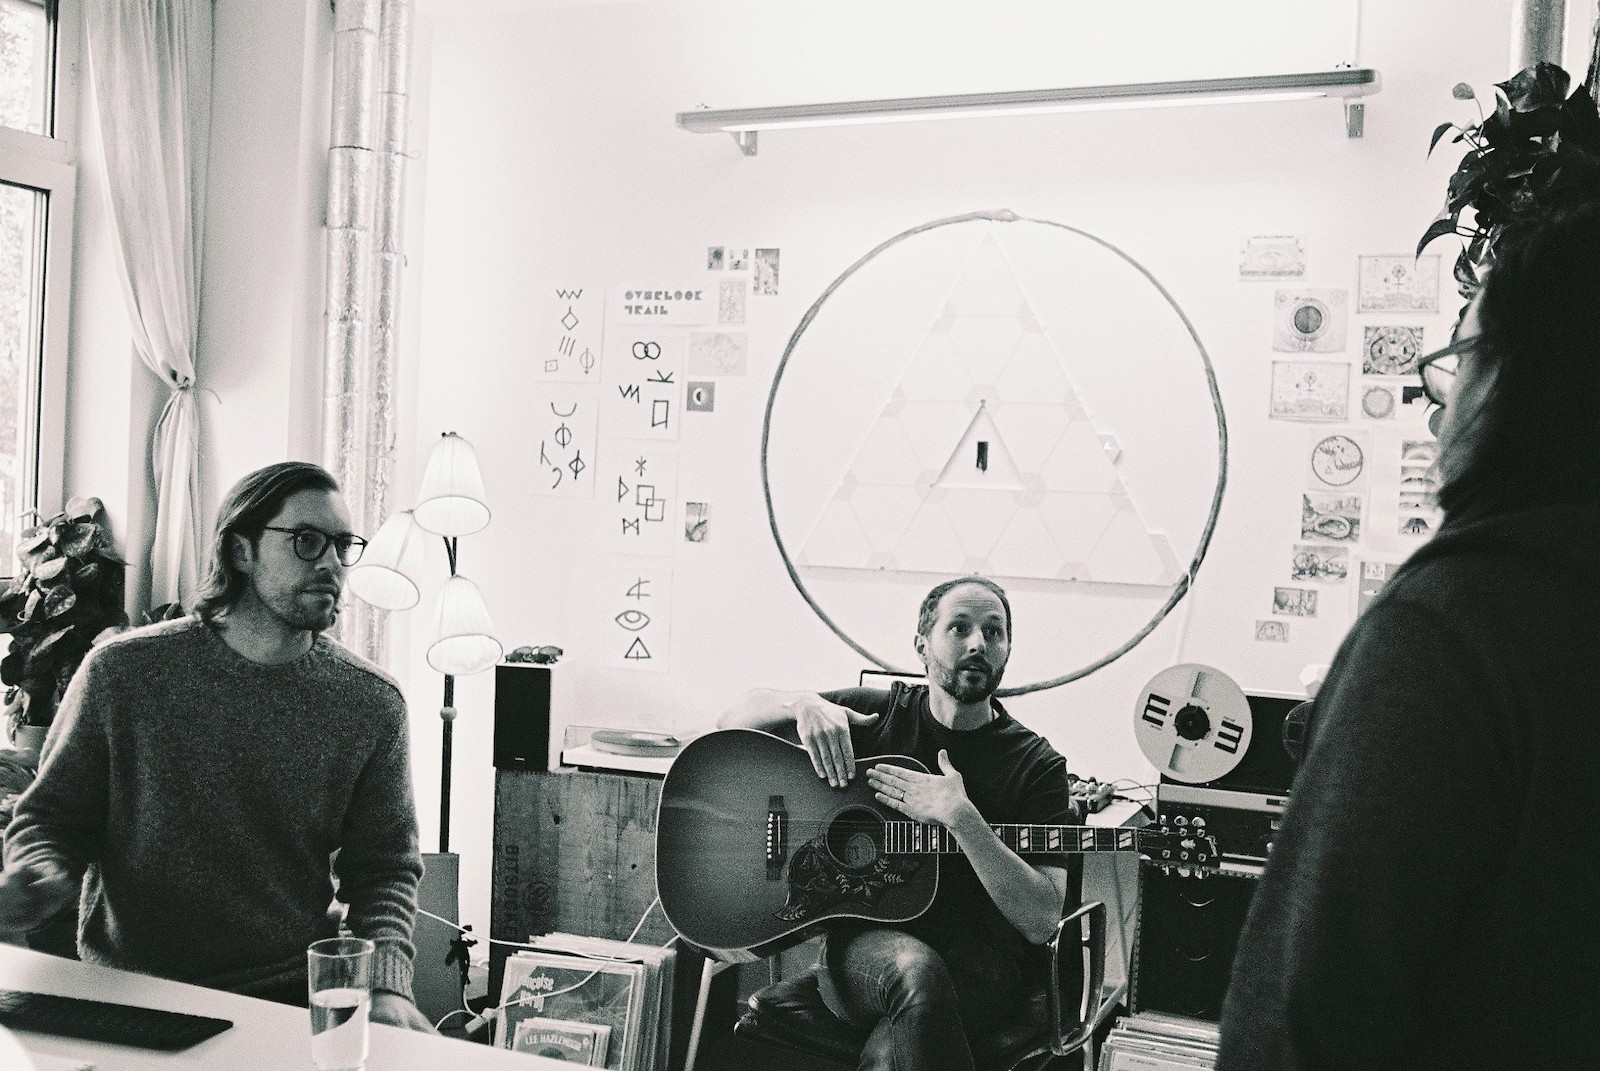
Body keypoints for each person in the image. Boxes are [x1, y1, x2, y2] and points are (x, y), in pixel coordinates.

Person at [1217, 205, 1600, 1069]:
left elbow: (1303, 1014)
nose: (1437, 409)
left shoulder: (1456, 626)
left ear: (1525, 375)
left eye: (1460, 357)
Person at [0, 462, 433, 1031]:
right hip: (133, 994)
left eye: (342, 545)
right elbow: (52, 818)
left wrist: (386, 986)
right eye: (307, 541)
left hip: (285, 1001)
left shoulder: (370, 703)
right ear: (240, 551)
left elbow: (384, 871)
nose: (331, 563)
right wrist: (39, 870)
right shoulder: (123, 673)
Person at [721, 576, 1081, 1071]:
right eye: (959, 628)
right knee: (916, 971)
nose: (978, 643)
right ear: (922, 646)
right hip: (864, 956)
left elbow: (1041, 921)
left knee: (893, 1051)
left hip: (983, 967)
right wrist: (799, 703)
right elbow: (730, 719)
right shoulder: (876, 715)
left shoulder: (1036, 765)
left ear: (1007, 650)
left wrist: (963, 820)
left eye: (994, 632)